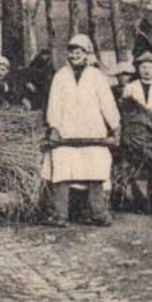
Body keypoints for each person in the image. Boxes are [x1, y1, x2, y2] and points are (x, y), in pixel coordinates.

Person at [42, 33, 121, 228]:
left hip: (93, 134)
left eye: (79, 52)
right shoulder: (60, 76)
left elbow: (107, 104)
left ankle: (98, 213)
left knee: (95, 172)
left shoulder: (96, 77)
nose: (75, 55)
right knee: (61, 171)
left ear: (87, 54)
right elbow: (54, 105)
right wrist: (54, 127)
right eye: (72, 52)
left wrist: (115, 126)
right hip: (66, 134)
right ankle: (59, 214)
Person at [22, 47, 56, 112]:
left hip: (44, 85)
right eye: (44, 55)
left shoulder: (49, 64)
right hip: (35, 84)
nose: (45, 57)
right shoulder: (35, 63)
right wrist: (28, 83)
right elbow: (28, 73)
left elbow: (53, 74)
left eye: (47, 55)